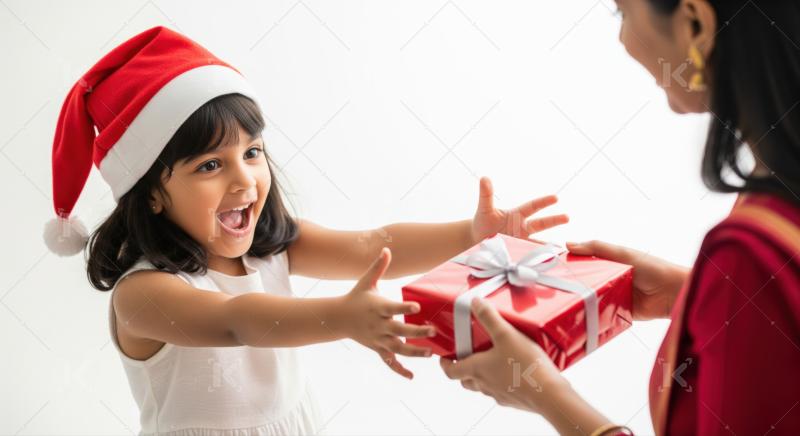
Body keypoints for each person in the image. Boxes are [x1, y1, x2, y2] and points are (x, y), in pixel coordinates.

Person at [43, 26, 568, 435]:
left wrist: (469, 234)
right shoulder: (142, 295)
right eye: (210, 165)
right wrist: (341, 317)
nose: (244, 179)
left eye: (252, 152)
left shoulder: (272, 248)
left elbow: (373, 245)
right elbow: (236, 321)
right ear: (152, 193)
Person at [439, 1, 800, 434]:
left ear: (695, 23)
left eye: (623, 13)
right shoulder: (773, 214)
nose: (623, 40)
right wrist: (692, 296)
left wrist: (545, 394)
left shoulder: (748, 252)